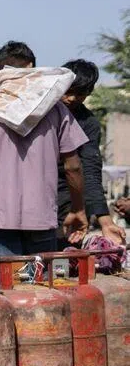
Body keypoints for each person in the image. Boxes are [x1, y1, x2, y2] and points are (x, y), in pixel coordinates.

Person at [0, 41, 87, 256]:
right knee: (36, 283)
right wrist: (78, 209)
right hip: (41, 216)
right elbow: (73, 167)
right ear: (31, 69)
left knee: (9, 284)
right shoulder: (55, 110)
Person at [58, 58, 124, 246]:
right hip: (31, 199)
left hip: (68, 205)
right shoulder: (38, 114)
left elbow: (90, 171)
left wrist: (105, 220)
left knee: (62, 266)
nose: (71, 98)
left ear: (89, 93)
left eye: (80, 94)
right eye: (68, 91)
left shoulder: (88, 124)